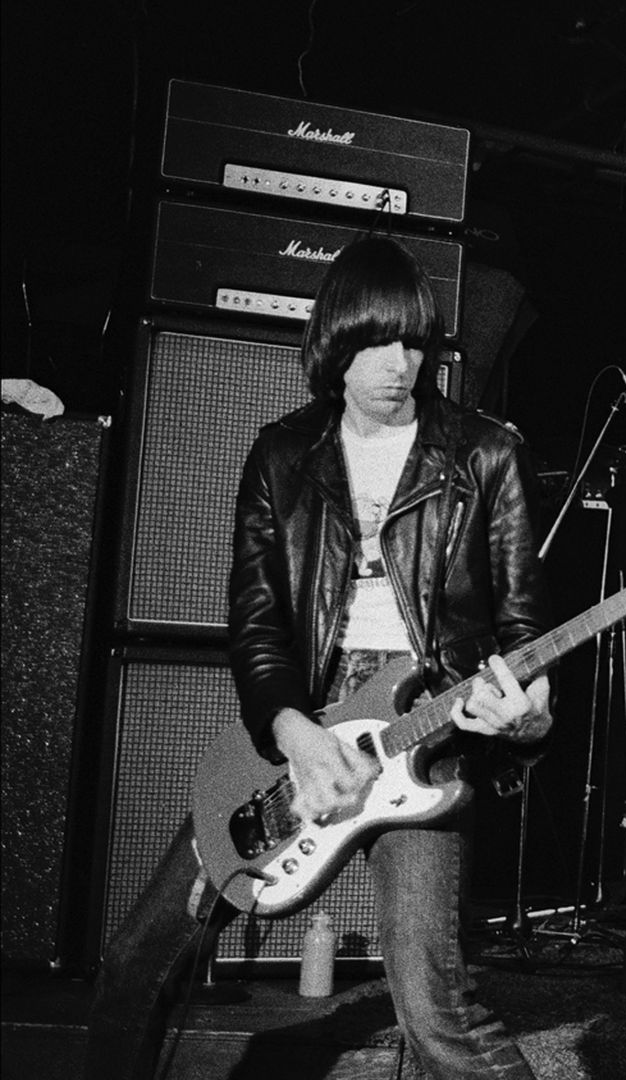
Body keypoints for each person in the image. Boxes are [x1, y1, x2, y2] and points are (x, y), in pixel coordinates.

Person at [85, 236, 554, 1080]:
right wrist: (295, 734)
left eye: (414, 342)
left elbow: (525, 630)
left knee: (433, 1009)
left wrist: (528, 709)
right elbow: (256, 623)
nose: (399, 363)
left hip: (426, 727)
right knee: (133, 962)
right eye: (378, 341)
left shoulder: (487, 453)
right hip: (302, 726)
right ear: (335, 343)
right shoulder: (281, 455)